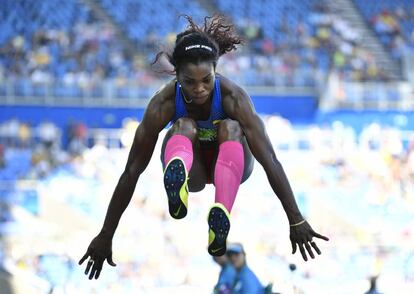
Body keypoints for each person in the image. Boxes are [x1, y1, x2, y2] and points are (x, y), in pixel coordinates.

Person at [79, 15, 329, 280]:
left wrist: (296, 219)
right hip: (194, 170)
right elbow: (131, 171)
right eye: (189, 82)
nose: (199, 89)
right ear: (177, 75)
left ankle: (220, 213)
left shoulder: (234, 97)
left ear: (216, 70)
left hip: (233, 164)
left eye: (206, 80)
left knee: (231, 127)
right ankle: (179, 185)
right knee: (183, 125)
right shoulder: (162, 103)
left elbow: (270, 160)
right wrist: (106, 234)